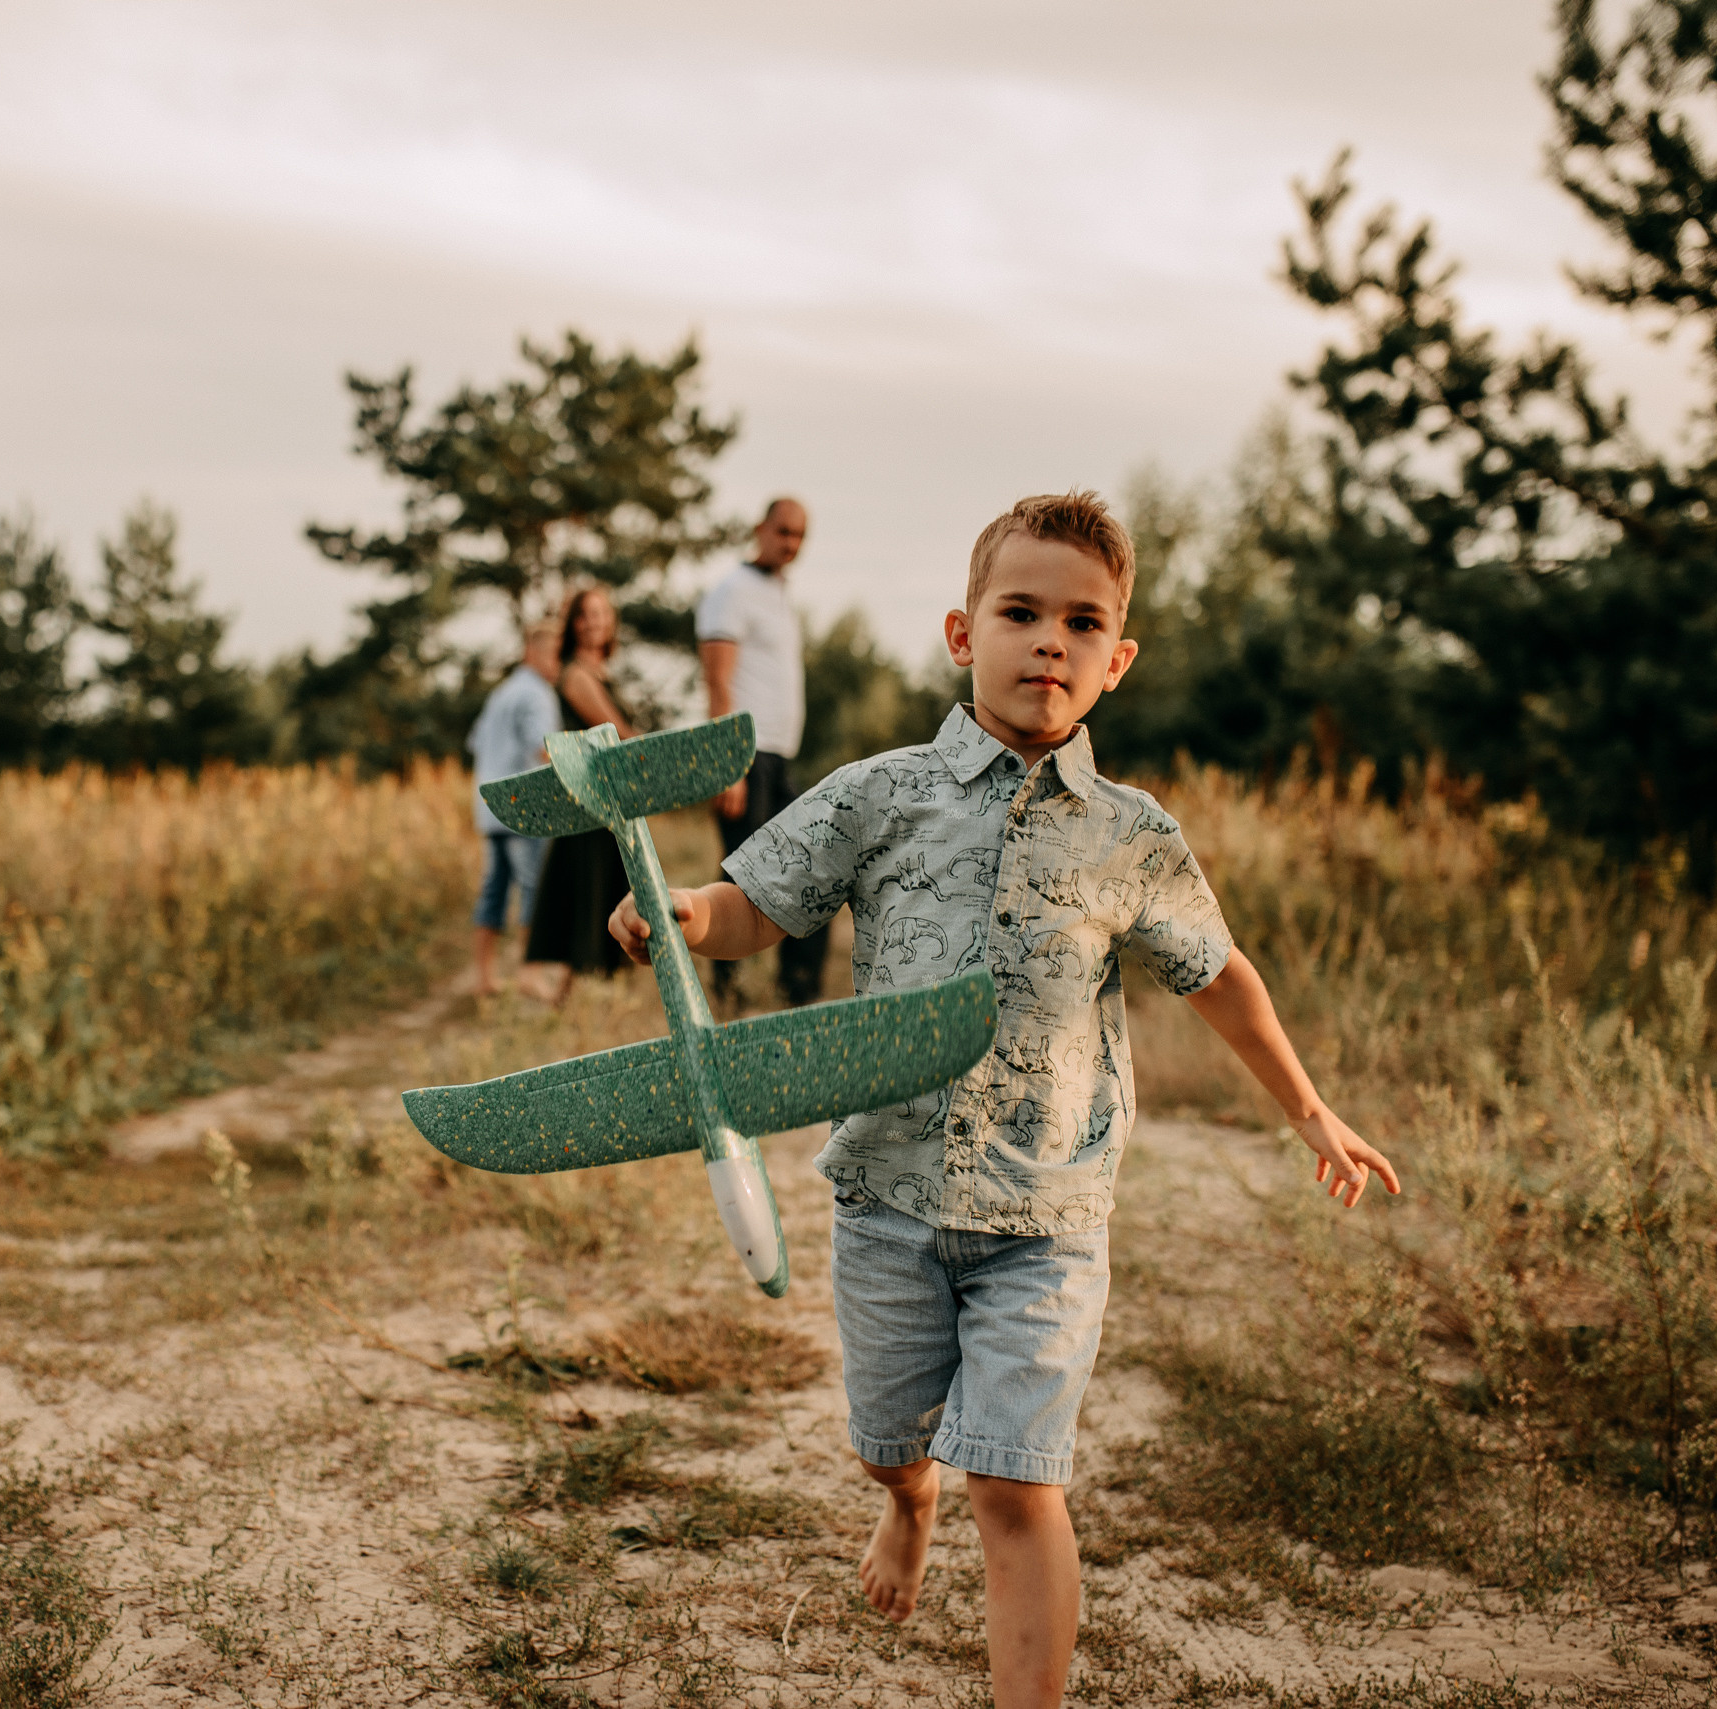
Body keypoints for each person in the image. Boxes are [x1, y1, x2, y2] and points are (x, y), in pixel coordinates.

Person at [610, 492, 1401, 1709]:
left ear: (1115, 660)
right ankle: (902, 1501)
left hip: (1049, 1210)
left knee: (1018, 1484)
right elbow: (756, 900)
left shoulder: (1131, 835)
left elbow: (1220, 974)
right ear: (961, 633)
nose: (1049, 640)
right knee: (889, 1438)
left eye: (1081, 622)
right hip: (887, 1194)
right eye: (1019, 611)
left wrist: (1310, 1108)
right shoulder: (881, 791)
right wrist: (677, 913)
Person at [697, 496, 828, 1007]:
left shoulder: (779, 594)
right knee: (745, 872)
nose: (790, 543)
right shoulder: (732, 592)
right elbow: (716, 682)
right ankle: (727, 989)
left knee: (810, 860)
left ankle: (798, 987)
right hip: (744, 756)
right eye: (783, 532)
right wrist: (726, 766)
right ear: (760, 529)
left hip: (779, 757)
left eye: (799, 535)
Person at [523, 584, 637, 1004]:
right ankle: (563, 996)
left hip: (607, 801)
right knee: (582, 893)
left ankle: (568, 997)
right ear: (574, 624)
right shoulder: (575, 675)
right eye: (587, 614)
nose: (597, 622)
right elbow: (616, 735)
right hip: (588, 801)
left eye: (603, 613)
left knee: (598, 889)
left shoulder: (601, 672)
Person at [466, 621, 563, 997]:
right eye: (554, 655)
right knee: (533, 889)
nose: (557, 664)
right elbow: (545, 749)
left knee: (493, 890)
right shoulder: (537, 694)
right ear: (532, 653)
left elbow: (476, 741)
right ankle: (530, 973)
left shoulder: (500, 693)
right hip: (523, 808)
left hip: (488, 807)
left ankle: (484, 977)